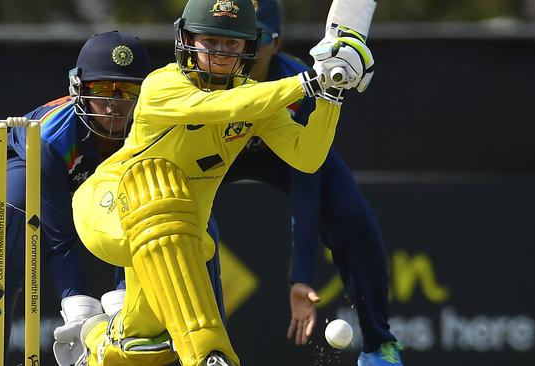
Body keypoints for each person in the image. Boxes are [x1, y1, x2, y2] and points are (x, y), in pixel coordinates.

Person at [70, 0, 374, 365]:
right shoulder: (162, 85)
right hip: (110, 205)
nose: (219, 53)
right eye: (209, 41)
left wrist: (331, 95)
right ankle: (209, 355)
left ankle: (95, 339)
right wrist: (308, 81)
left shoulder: (254, 100)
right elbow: (221, 108)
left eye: (231, 44)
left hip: (178, 235)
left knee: (146, 344)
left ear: (248, 47)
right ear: (187, 39)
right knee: (159, 184)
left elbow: (306, 156)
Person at [220, 1, 403, 365]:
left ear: (277, 43)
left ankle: (378, 345)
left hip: (283, 152)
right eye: (239, 40)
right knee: (173, 213)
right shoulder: (206, 84)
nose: (245, 52)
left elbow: (307, 182)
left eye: (258, 40)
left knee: (352, 216)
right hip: (218, 155)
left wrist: (300, 278)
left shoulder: (300, 84)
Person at [0, 31, 154, 366]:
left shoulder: (150, 131)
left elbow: (132, 223)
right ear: (79, 89)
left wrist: (125, 300)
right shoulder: (52, 136)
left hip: (100, 180)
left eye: (128, 91)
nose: (115, 104)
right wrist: (78, 309)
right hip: (29, 161)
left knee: (165, 218)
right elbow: (57, 235)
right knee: (4, 219)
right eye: (101, 89)